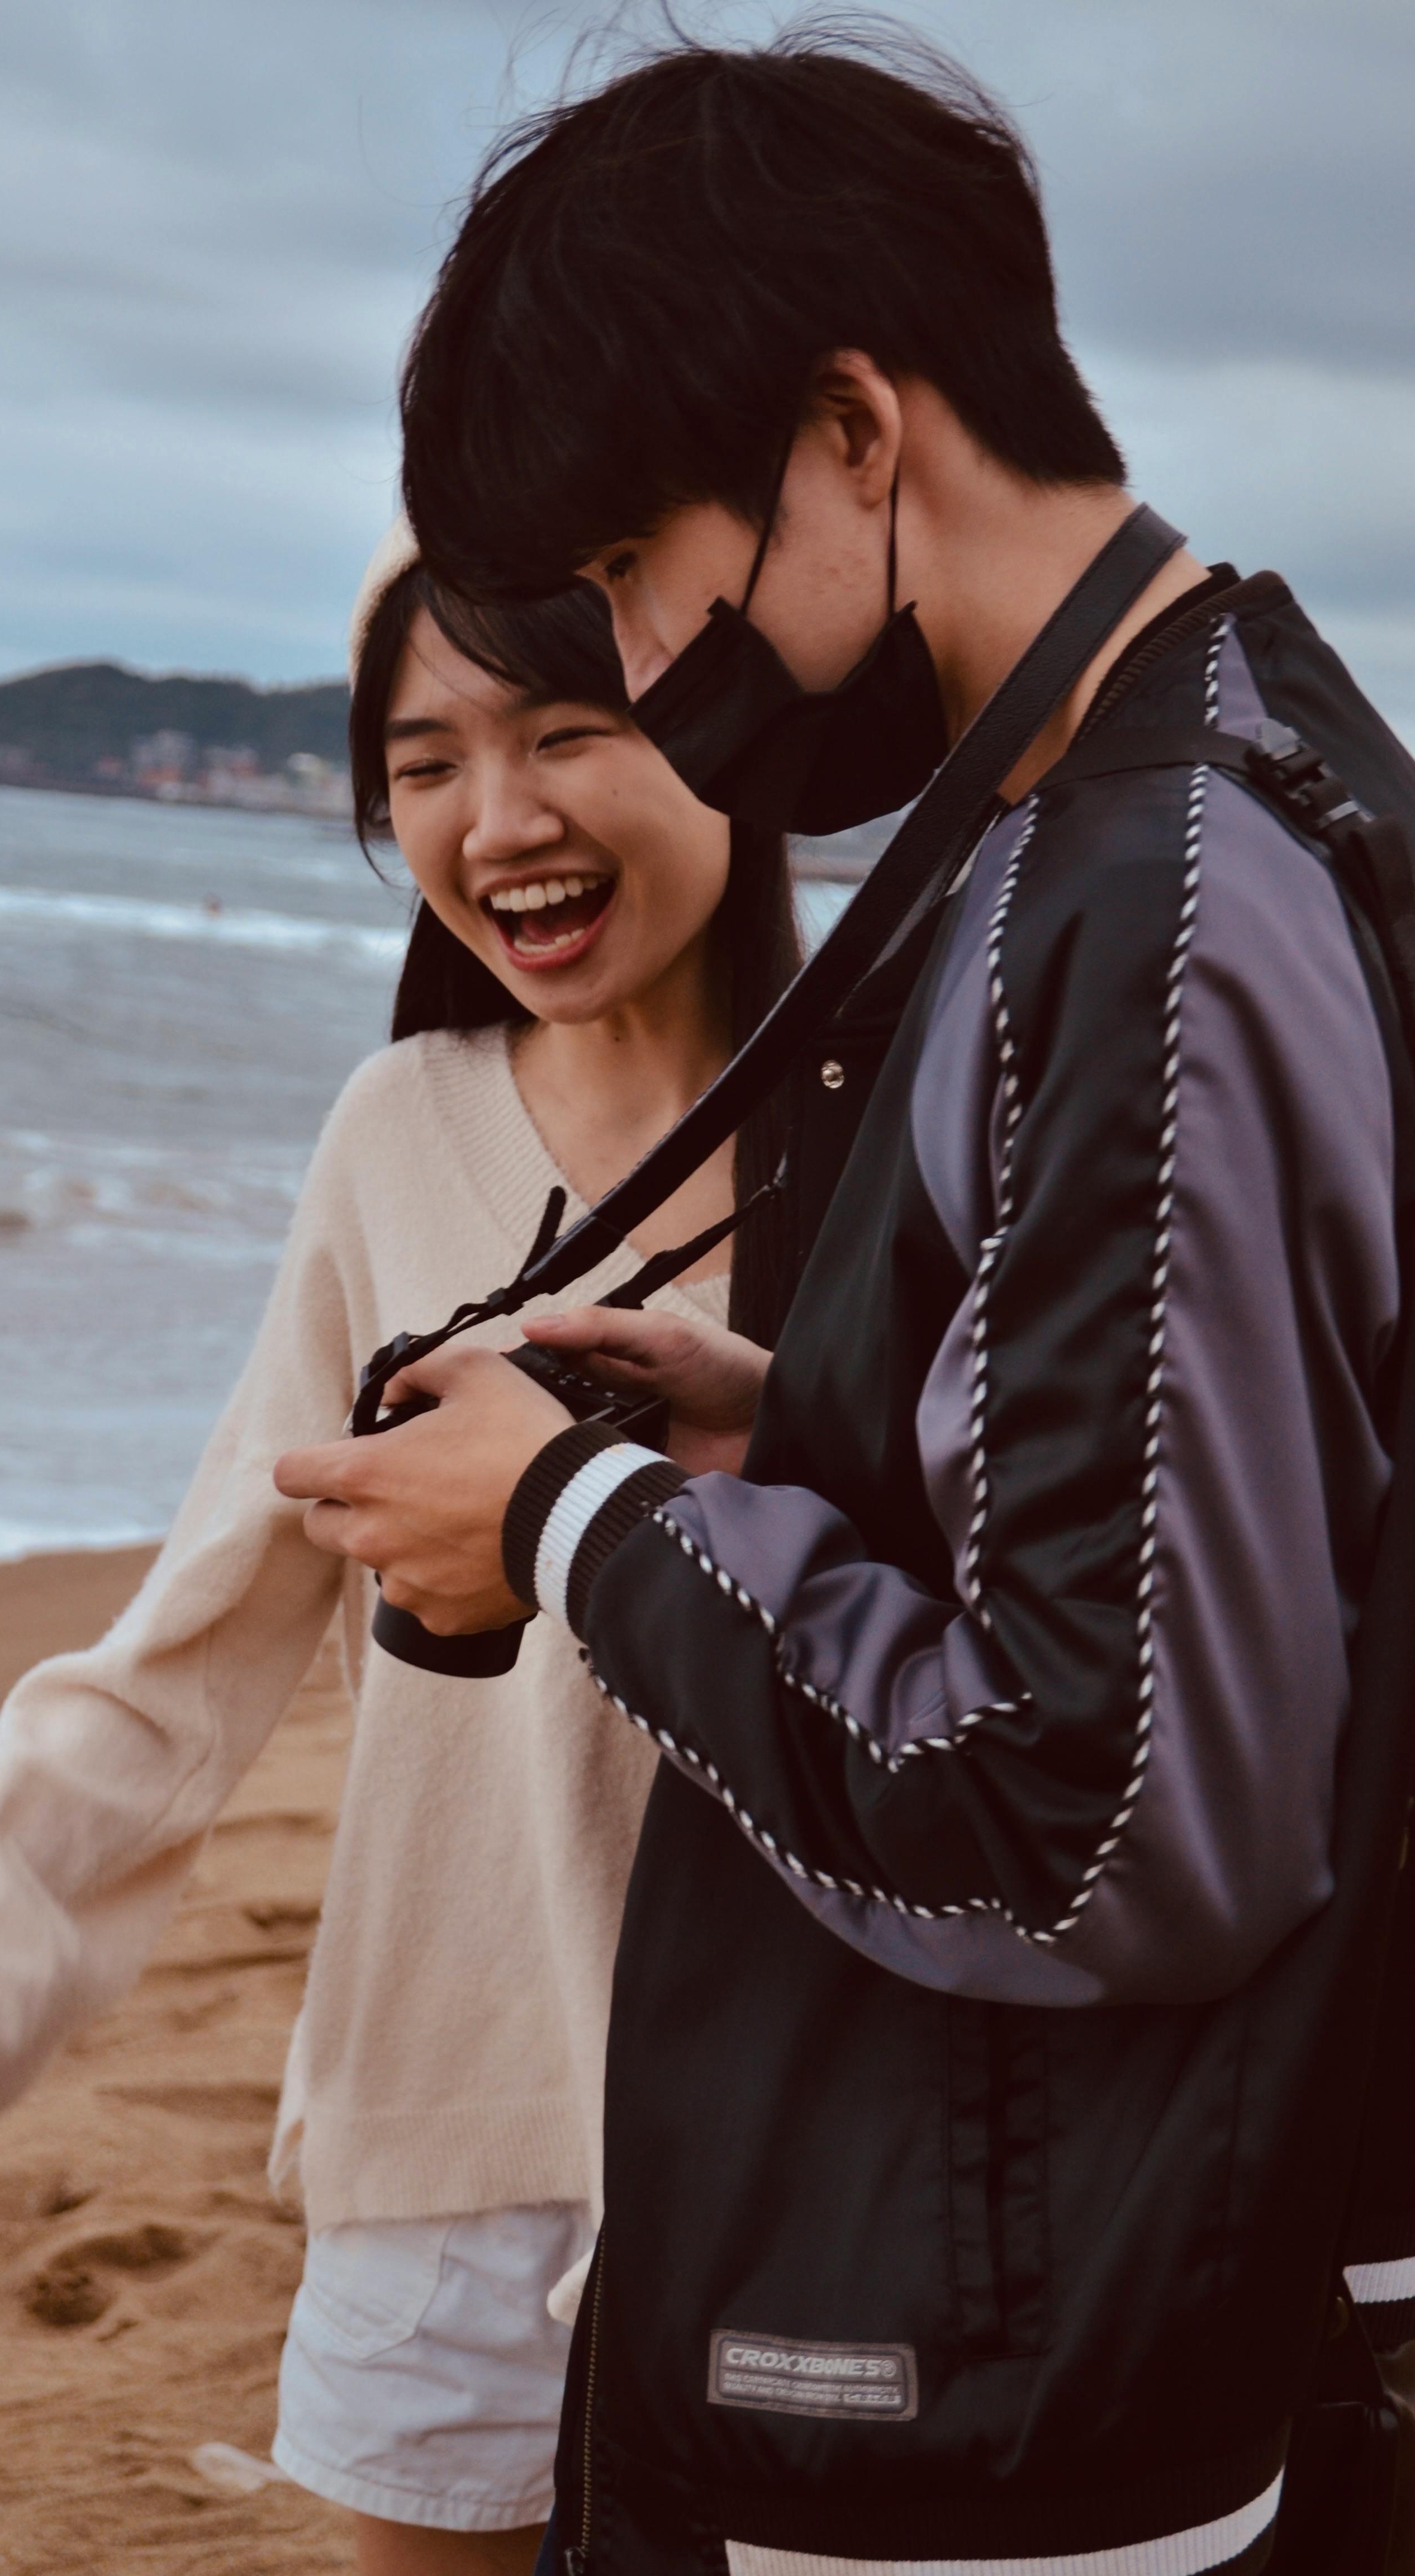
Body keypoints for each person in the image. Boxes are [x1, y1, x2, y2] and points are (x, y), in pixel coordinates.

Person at [273, 28, 1415, 2575]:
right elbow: (1251, 1524)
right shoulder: (1251, 772)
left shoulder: (1155, 898)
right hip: (1068, 2313)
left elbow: (1097, 1822)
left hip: (1016, 2395)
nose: (664, 669)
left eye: (647, 580)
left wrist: (569, 1527)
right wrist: (793, 1423)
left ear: (856, 433)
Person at [0, 543, 801, 2574]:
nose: (500, 821)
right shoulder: (399, 1126)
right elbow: (201, 1632)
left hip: (803, 2128)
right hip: (443, 2106)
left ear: (728, 732)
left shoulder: (902, 1114)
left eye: (573, 730)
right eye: (424, 765)